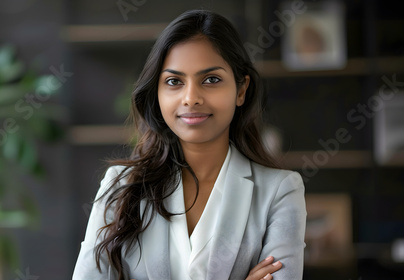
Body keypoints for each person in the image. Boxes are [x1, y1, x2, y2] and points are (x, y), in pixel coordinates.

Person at [73, 10, 306, 280]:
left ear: (241, 90)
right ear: (157, 92)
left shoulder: (280, 191)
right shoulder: (122, 185)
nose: (191, 98)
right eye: (174, 81)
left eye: (211, 80)